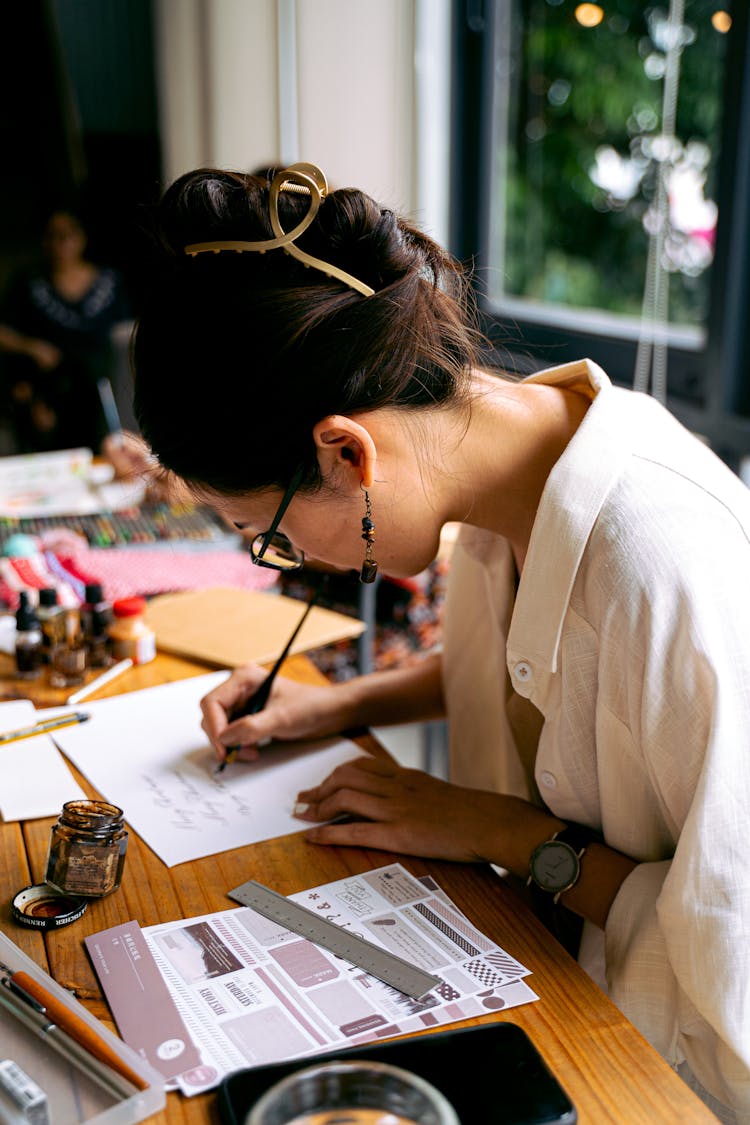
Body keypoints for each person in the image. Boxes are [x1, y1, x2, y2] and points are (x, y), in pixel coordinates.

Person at [131, 163, 750, 1122]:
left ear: (346, 452)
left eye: (274, 532)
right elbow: (549, 671)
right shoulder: (526, 465)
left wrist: (493, 830)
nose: (287, 558)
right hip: (540, 980)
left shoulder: (659, 566)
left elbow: (731, 938)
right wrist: (340, 702)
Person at [0, 208, 130, 452]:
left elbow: (126, 336)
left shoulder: (110, 282)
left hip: (102, 392)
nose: (60, 245)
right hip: (49, 396)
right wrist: (31, 347)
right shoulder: (30, 283)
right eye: (52, 236)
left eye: (67, 235)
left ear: (82, 238)